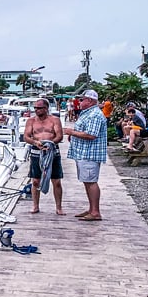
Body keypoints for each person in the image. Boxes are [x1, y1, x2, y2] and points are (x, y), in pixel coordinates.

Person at [65, 89, 107, 221]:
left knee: (91, 181)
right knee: (87, 181)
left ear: (89, 101)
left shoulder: (94, 114)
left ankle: (95, 212)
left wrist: (71, 132)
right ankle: (91, 208)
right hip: (83, 153)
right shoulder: (87, 113)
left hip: (89, 153)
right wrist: (75, 135)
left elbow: (91, 134)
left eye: (82, 99)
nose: (80, 101)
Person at [23, 98, 65, 215]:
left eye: (39, 108)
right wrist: (35, 143)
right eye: (35, 108)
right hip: (37, 152)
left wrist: (50, 144)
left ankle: (59, 207)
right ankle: (35, 206)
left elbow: (59, 136)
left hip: (52, 151)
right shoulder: (31, 121)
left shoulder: (54, 120)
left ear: (46, 108)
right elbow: (26, 137)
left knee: (56, 181)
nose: (36, 110)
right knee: (35, 181)